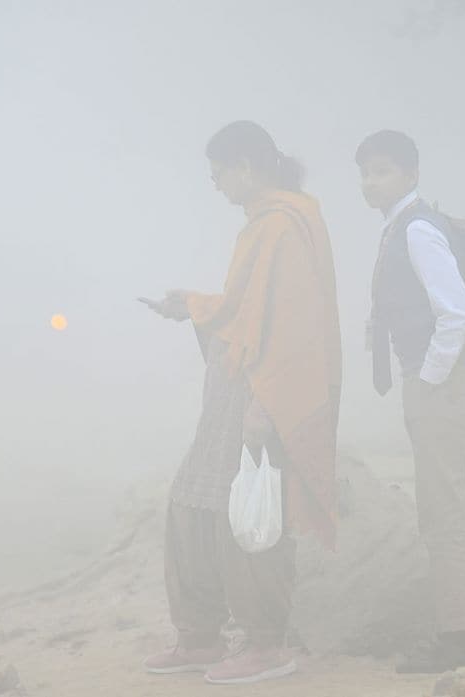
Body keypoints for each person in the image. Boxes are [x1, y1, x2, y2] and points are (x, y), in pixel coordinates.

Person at [141, 120, 342, 685]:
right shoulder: (263, 226)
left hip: (262, 392)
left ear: (247, 165)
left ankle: (264, 643)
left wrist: (264, 405)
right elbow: (247, 309)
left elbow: (294, 328)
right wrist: (195, 306)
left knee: (251, 512)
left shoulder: (283, 226)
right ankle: (200, 636)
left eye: (218, 172)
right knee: (193, 501)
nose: (215, 184)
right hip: (233, 386)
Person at [356, 129, 465, 673]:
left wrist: (429, 377)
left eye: (382, 170)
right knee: (439, 506)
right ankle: (455, 631)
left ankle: (458, 641)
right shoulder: (403, 226)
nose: (370, 181)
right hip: (436, 378)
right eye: (365, 172)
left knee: (442, 510)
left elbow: (457, 312)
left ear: (411, 175)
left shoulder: (416, 230)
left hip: (442, 379)